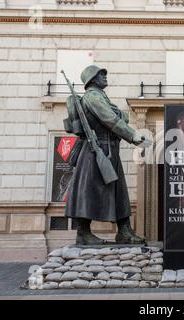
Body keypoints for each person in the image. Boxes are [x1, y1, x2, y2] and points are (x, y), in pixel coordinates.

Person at [65, 65, 148, 245]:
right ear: (92, 79)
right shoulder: (93, 97)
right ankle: (83, 233)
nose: (104, 76)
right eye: (100, 74)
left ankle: (124, 231)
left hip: (108, 148)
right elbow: (110, 119)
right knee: (89, 191)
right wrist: (132, 135)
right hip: (96, 150)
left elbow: (118, 116)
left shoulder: (101, 96)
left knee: (118, 191)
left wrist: (120, 118)